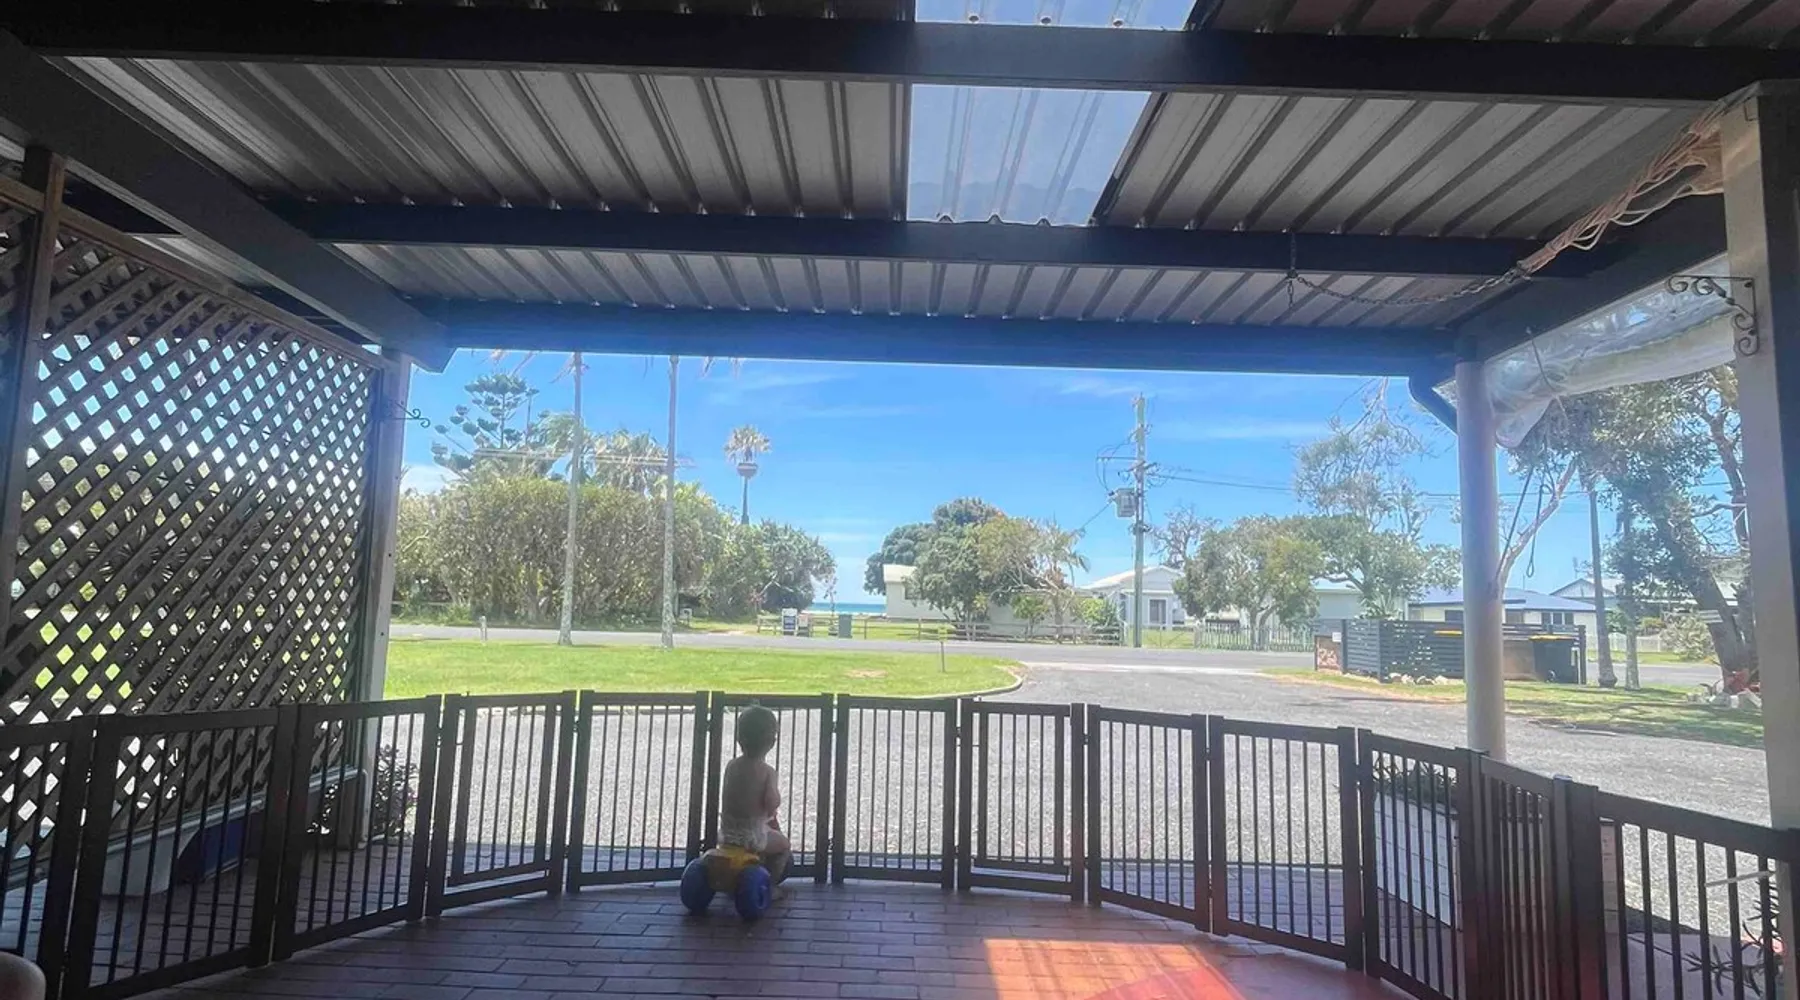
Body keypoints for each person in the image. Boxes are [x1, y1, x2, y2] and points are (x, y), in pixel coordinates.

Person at [718, 705, 791, 888]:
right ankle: (770, 886)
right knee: (783, 844)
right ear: (772, 742)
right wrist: (775, 801)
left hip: (727, 832)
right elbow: (771, 802)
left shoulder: (731, 766)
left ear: (738, 738)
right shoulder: (768, 772)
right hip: (752, 835)